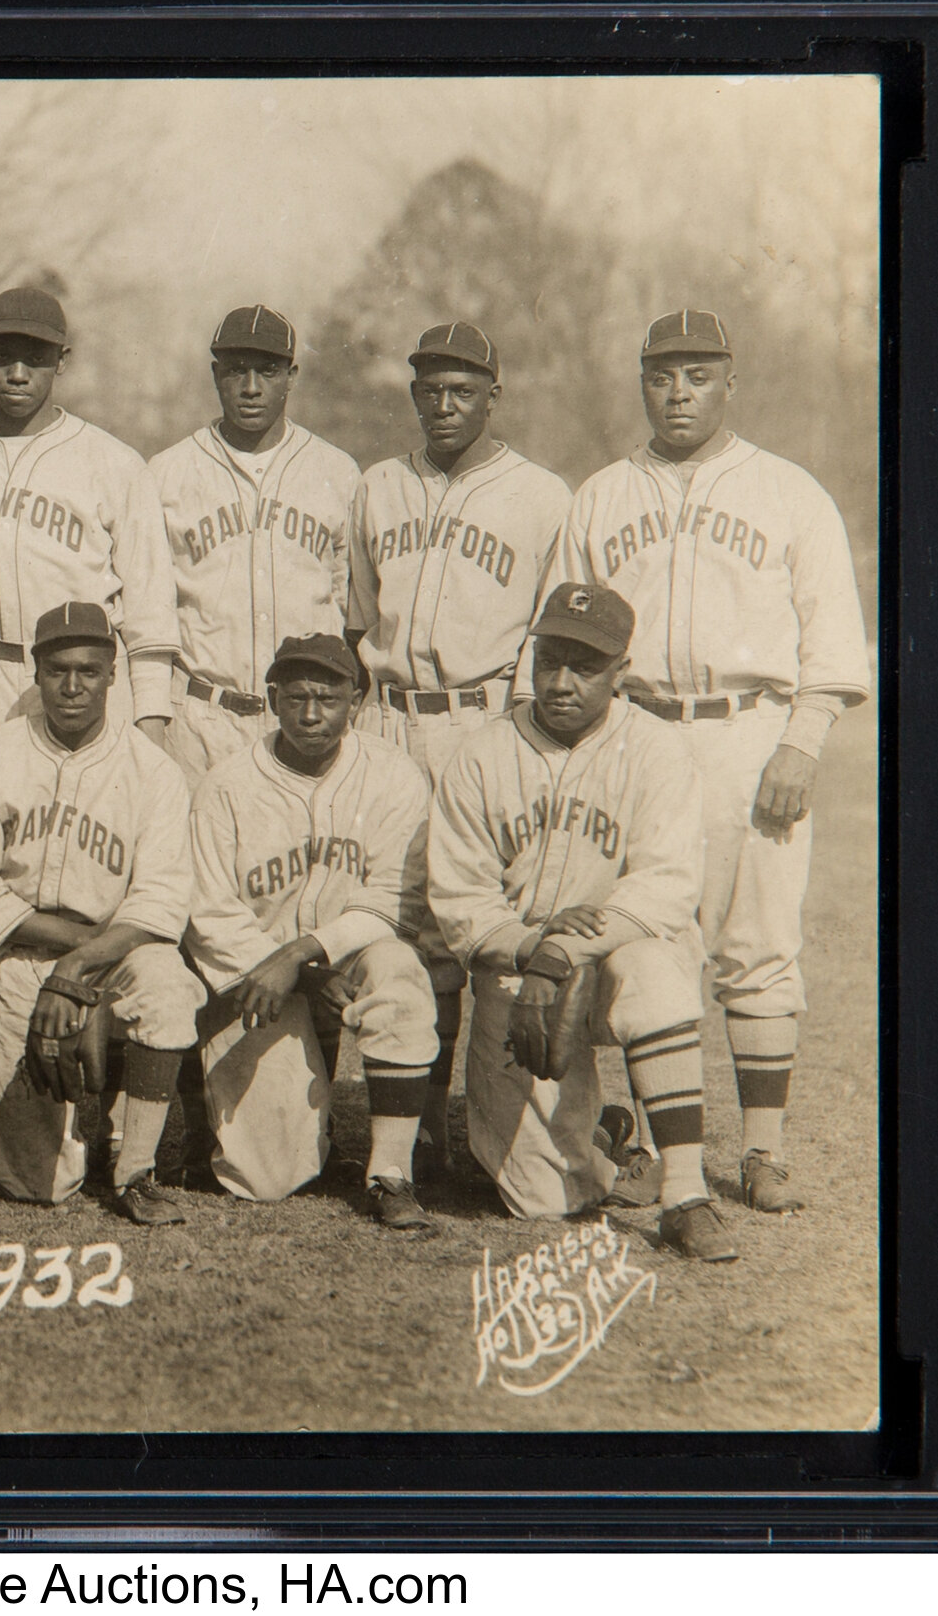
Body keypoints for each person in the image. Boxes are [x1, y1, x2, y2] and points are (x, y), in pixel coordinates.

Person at [547, 309, 870, 1214]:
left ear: (731, 381)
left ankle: (763, 1152)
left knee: (759, 945)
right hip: (640, 734)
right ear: (641, 383)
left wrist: (800, 742)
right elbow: (561, 639)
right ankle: (654, 1141)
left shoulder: (789, 491)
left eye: (697, 374)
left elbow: (835, 645)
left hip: (749, 729)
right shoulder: (601, 494)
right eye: (662, 375)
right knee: (653, 943)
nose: (678, 392)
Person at [426, 582, 737, 1261]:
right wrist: (533, 946)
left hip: (612, 966)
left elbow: (665, 885)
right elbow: (460, 899)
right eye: (549, 660)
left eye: (585, 666)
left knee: (657, 966)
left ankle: (685, 1195)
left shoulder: (657, 749)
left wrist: (564, 950)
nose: (561, 682)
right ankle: (603, 1139)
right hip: (520, 980)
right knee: (542, 1200)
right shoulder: (482, 755)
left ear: (621, 672)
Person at [0, 602, 204, 1212]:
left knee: (171, 988)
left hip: (110, 952)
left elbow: (159, 899)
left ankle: (135, 1171)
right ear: (36, 671)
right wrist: (65, 954)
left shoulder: (152, 770)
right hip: (14, 952)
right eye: (57, 671)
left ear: (112, 675)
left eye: (88, 671)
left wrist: (77, 970)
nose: (72, 687)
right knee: (39, 1187)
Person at [182, 634, 448, 1229]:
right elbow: (210, 914)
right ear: (273, 699)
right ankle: (264, 1124)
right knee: (265, 1180)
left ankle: (390, 1173)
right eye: (296, 696)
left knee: (401, 975)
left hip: (350, 956)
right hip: (257, 975)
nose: (310, 714)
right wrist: (299, 974)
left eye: (328, 698)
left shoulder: (393, 774)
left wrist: (310, 952)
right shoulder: (225, 786)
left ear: (355, 698)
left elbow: (398, 899)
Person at [0, 287, 180, 751]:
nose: (17, 374)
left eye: (35, 358)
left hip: (70, 685)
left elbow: (150, 612)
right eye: (4, 356)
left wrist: (150, 717)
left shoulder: (114, 463)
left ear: (62, 360)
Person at [343, 321, 573, 777]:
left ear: (493, 397)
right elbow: (360, 621)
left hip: (485, 718)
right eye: (430, 392)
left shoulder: (542, 494)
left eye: (463, 392)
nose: (444, 407)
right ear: (414, 395)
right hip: (385, 719)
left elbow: (550, 634)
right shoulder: (380, 484)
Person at [147, 305, 362, 778]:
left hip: (303, 722)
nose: (250, 387)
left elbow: (351, 609)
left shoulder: (337, 472)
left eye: (267, 371)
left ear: (291, 375)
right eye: (235, 371)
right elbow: (149, 615)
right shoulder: (167, 472)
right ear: (214, 374)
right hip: (200, 718)